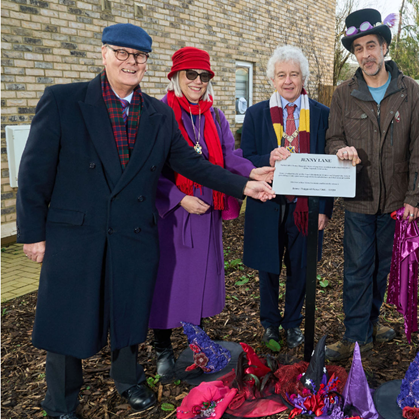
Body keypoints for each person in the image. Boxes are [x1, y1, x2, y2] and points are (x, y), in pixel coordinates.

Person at [16, 24, 274, 419]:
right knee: (68, 319)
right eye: (121, 53)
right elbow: (34, 173)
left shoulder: (156, 114)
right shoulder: (64, 100)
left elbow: (191, 163)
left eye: (138, 56)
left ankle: (129, 380)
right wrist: (32, 234)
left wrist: (244, 186)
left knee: (130, 312)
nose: (130, 62)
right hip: (76, 234)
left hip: (133, 233)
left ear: (147, 63)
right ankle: (61, 401)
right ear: (104, 54)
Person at [147, 47, 270, 382]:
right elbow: (148, 169)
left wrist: (252, 173)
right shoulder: (159, 113)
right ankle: (162, 349)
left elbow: (229, 156)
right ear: (175, 77)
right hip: (172, 213)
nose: (198, 82)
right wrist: (177, 197)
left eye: (204, 76)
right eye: (191, 75)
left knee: (199, 283)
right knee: (167, 284)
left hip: (208, 210)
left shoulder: (214, 116)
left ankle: (197, 344)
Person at [324, 8, 419, 361]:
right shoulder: (343, 94)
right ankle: (356, 338)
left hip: (397, 201)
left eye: (372, 46)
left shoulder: (410, 92)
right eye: (359, 49)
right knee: (357, 267)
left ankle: (370, 322)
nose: (366, 55)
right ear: (354, 55)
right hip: (358, 197)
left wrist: (415, 196)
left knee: (382, 268)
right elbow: (332, 140)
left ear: (384, 47)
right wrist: (341, 151)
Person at [241, 46, 333, 349]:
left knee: (301, 267)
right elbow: (244, 158)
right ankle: (269, 323)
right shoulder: (255, 114)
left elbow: (330, 164)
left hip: (307, 205)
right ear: (272, 79)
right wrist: (268, 156)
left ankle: (293, 323)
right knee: (268, 267)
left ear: (303, 76)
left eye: (294, 74)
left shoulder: (321, 114)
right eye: (282, 75)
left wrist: (325, 210)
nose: (288, 80)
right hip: (267, 202)